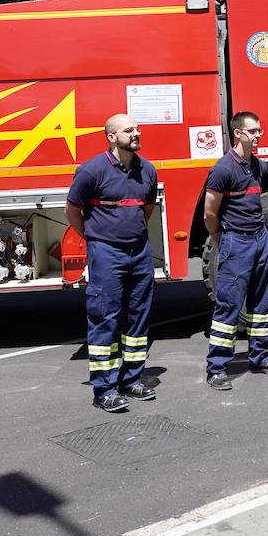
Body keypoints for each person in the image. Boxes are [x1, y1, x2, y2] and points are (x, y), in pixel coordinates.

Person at [66, 113, 160, 413]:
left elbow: (146, 209)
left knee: (138, 317)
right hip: (106, 253)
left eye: (137, 129)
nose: (136, 133)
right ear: (111, 137)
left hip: (139, 252)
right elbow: (72, 210)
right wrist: (95, 238)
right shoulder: (91, 171)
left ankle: (131, 379)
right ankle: (104, 389)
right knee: (104, 318)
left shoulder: (147, 170)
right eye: (128, 130)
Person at [203, 111, 268, 391]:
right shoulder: (223, 169)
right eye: (253, 131)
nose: (258, 135)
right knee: (229, 306)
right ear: (238, 133)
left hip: (260, 239)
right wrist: (219, 237)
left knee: (260, 306)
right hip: (236, 242)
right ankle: (217, 368)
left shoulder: (258, 166)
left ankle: (260, 359)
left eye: (259, 130)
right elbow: (209, 213)